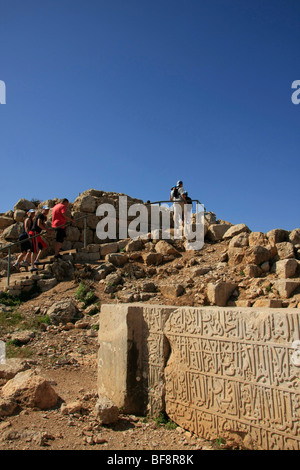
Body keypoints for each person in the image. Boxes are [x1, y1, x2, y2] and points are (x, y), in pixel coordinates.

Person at [29, 205, 52, 271]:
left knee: (44, 246)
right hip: (35, 233)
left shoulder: (43, 217)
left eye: (48, 210)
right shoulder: (40, 215)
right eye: (46, 210)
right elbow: (39, 224)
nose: (47, 211)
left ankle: (36, 260)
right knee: (35, 250)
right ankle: (32, 266)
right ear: (43, 209)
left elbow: (42, 224)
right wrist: (46, 230)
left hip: (37, 234)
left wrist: (46, 228)